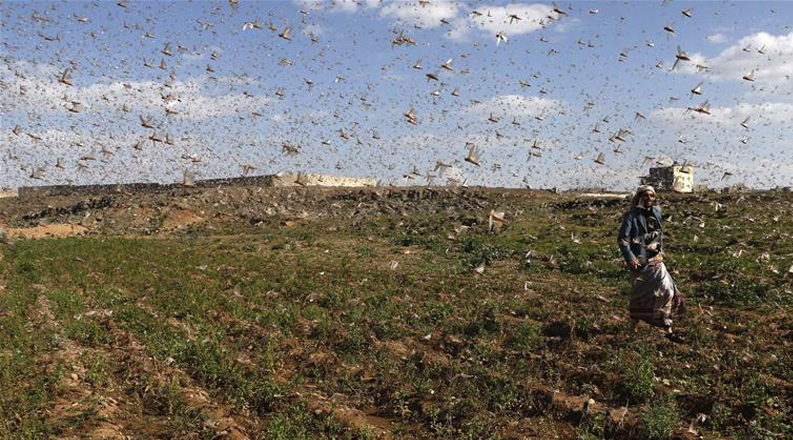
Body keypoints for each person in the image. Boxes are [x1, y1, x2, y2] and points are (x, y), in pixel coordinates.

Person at [618, 185, 684, 336]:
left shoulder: (657, 211)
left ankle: (667, 327)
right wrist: (631, 257)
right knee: (640, 295)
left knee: (667, 290)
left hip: (656, 258)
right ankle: (633, 327)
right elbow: (623, 239)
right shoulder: (631, 216)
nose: (649, 199)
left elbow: (659, 233)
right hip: (640, 261)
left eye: (651, 196)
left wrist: (661, 249)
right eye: (645, 195)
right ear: (639, 197)